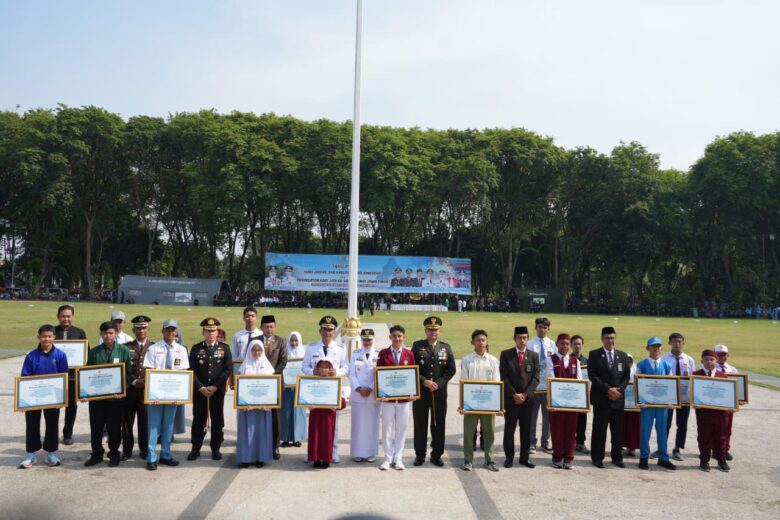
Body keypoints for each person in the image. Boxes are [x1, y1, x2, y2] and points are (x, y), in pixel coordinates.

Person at [18, 324, 69, 469]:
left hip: (53, 398)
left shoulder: (60, 355)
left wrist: (61, 398)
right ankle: (31, 454)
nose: (46, 339)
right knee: (32, 424)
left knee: (52, 424)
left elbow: (64, 376)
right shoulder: (31, 356)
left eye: (49, 336)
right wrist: (23, 401)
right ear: (38, 337)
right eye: (43, 336)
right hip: (33, 399)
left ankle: (51, 453)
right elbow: (25, 377)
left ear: (54, 337)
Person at [83, 321, 133, 467]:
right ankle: (97, 454)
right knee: (96, 428)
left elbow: (128, 374)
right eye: (105, 333)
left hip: (115, 399)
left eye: (111, 333)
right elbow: (87, 374)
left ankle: (114, 454)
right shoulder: (94, 352)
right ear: (101, 334)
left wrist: (122, 390)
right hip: (97, 399)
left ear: (115, 334)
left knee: (114, 428)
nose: (108, 336)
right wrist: (85, 392)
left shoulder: (123, 350)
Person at [143, 319, 189, 470]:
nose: (170, 332)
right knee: (153, 426)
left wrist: (180, 396)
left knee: (169, 426)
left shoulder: (181, 350)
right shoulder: (153, 349)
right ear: (162, 331)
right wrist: (152, 394)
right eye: (167, 329)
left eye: (173, 330)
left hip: (173, 395)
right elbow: (148, 372)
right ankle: (151, 457)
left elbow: (183, 374)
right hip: (156, 395)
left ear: (176, 332)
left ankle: (166, 454)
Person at [302, 315, 348, 465]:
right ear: (320, 331)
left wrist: (337, 372)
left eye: (330, 330)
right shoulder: (311, 348)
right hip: (315, 390)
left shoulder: (340, 349)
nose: (327, 333)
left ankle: (331, 454)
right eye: (324, 329)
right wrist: (314, 371)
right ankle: (315, 454)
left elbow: (346, 367)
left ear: (334, 332)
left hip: (332, 390)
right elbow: (304, 367)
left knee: (332, 424)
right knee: (315, 424)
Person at [411, 316, 456, 467]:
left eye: (435, 330)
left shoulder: (446, 347)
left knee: (438, 425)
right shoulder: (417, 346)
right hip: (422, 393)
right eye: (430, 330)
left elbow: (451, 369)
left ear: (439, 330)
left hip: (439, 394)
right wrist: (424, 381)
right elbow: (412, 368)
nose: (433, 332)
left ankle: (436, 455)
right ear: (425, 331)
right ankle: (420, 455)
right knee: (420, 425)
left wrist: (439, 383)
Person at [188, 317, 232, 461]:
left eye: (213, 331)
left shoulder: (224, 348)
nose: (211, 333)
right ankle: (195, 448)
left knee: (217, 419)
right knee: (198, 419)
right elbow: (191, 370)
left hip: (217, 391)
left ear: (217, 332)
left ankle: (215, 448)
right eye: (208, 331)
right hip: (200, 391)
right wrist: (200, 387)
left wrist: (215, 386)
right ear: (203, 332)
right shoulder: (196, 348)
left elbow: (227, 369)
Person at [587, 326, 630, 468]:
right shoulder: (594, 354)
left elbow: (626, 377)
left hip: (618, 399)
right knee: (599, 430)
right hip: (602, 399)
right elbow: (593, 375)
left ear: (615, 338)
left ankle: (617, 458)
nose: (610, 340)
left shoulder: (623, 356)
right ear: (602, 339)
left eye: (612, 338)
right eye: (607, 338)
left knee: (617, 430)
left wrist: (618, 391)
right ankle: (597, 457)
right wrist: (608, 389)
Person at [459, 329, 501, 472]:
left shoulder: (493, 361)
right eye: (478, 340)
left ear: (487, 342)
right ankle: (468, 460)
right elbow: (464, 382)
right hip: (470, 404)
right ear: (472, 342)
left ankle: (489, 460)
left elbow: (496, 383)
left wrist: (497, 405)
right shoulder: (467, 360)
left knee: (489, 433)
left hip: (488, 404)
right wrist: (462, 404)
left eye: (483, 340)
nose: (481, 343)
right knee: (469, 433)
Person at [376, 325, 416, 470]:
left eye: (400, 336)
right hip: (387, 399)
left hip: (404, 400)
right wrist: (380, 393)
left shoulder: (409, 354)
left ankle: (398, 458)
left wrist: (412, 392)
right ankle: (387, 458)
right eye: (394, 336)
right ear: (390, 337)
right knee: (387, 429)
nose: (397, 339)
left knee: (401, 429)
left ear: (404, 337)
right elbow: (378, 374)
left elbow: (412, 375)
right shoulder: (383, 353)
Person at [500, 326, 540, 468]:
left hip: (527, 400)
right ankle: (509, 457)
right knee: (509, 430)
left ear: (528, 339)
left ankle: (525, 458)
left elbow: (536, 378)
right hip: (511, 399)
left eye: (524, 337)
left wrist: (525, 394)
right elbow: (503, 376)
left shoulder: (534, 356)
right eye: (519, 337)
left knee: (526, 430)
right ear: (514, 339)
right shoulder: (506, 354)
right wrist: (513, 394)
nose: (522, 340)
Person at [635, 336, 676, 470]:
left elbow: (671, 385)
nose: (656, 348)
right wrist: (640, 401)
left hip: (662, 405)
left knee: (662, 431)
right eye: (653, 346)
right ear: (648, 348)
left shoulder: (667, 365)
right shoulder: (641, 365)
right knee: (645, 431)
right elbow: (637, 384)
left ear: (661, 348)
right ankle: (643, 457)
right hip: (647, 405)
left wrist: (671, 401)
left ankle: (663, 458)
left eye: (658, 346)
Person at [236, 339, 274, 468]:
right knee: (246, 431)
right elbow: (240, 386)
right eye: (254, 350)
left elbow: (271, 386)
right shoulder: (244, 366)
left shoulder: (268, 367)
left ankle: (260, 457)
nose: (256, 352)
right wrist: (243, 403)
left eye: (259, 350)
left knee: (262, 432)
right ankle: (245, 458)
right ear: (249, 351)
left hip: (263, 406)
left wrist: (268, 402)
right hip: (247, 407)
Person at [546, 333, 583, 470]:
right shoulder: (551, 359)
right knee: (557, 430)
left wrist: (580, 402)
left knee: (570, 430)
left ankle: (568, 457)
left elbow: (580, 381)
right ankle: (557, 457)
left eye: (567, 344)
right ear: (557, 344)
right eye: (562, 343)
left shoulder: (575, 361)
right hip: (556, 402)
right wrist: (550, 402)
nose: (565, 346)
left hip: (571, 403)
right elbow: (550, 379)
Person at [255, 314, 288, 459]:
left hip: (275, 382)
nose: (269, 329)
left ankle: (275, 447)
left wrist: (271, 376)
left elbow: (283, 361)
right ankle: (259, 444)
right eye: (266, 327)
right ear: (261, 328)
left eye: (271, 326)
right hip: (258, 383)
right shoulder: (255, 340)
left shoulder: (281, 341)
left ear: (275, 327)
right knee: (258, 414)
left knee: (275, 416)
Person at [54, 304, 87, 446]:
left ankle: (67, 434)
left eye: (68, 316)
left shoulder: (79, 333)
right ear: (58, 317)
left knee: (71, 407)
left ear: (72, 316)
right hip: (55, 377)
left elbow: (85, 356)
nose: (65, 319)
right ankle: (52, 434)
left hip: (73, 378)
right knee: (54, 407)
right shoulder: (52, 332)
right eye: (63, 316)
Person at [693, 349, 731, 472]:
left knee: (721, 436)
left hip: (720, 413)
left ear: (716, 361)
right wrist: (694, 402)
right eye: (706, 359)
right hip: (703, 412)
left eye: (712, 359)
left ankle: (721, 460)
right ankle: (704, 460)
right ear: (701, 361)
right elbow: (690, 392)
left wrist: (732, 404)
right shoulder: (696, 375)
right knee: (704, 436)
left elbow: (728, 394)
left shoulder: (723, 376)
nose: (709, 362)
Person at [122, 315, 153, 461]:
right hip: (130, 390)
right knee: (127, 422)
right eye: (138, 328)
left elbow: (157, 368)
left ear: (148, 329)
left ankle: (144, 449)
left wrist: (147, 381)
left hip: (146, 391)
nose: (141, 331)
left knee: (144, 422)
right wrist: (133, 381)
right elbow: (123, 369)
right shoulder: (125, 347)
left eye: (144, 328)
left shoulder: (154, 347)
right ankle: (127, 450)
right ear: (133, 330)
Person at [661, 332, 695, 461]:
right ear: (670, 343)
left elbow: (693, 379)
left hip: (684, 397)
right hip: (668, 396)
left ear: (683, 343)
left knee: (682, 423)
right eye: (674, 341)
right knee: (665, 423)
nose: (677, 344)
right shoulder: (664, 359)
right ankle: (662, 447)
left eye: (680, 341)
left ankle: (677, 448)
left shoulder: (689, 360)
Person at [348, 329, 381, 463]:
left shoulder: (379, 354)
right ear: (361, 340)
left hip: (372, 395)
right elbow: (351, 373)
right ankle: (357, 452)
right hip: (358, 395)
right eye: (365, 339)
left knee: (372, 425)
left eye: (369, 339)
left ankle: (371, 452)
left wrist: (370, 388)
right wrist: (359, 388)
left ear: (374, 339)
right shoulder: (356, 354)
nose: (367, 342)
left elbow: (380, 373)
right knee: (357, 425)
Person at [527, 317, 555, 454]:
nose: (542, 330)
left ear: (548, 329)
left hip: (548, 387)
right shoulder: (530, 344)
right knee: (532, 416)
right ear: (535, 328)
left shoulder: (553, 345)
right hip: (534, 386)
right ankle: (531, 443)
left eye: (545, 327)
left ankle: (545, 442)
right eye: (540, 327)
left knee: (547, 417)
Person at [280, 331, 308, 448]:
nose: (294, 343)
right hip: (286, 388)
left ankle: (297, 438)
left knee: (298, 413)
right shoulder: (285, 353)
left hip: (299, 388)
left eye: (296, 340)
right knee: (286, 413)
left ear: (299, 341)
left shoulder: (304, 354)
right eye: (291, 340)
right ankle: (285, 438)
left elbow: (306, 369)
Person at [714, 344, 737, 461]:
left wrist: (738, 401)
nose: (722, 356)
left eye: (724, 354)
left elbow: (738, 388)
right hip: (714, 403)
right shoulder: (712, 368)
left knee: (727, 428)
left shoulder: (733, 370)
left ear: (728, 355)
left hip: (728, 404)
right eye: (719, 354)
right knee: (714, 428)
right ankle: (714, 449)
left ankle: (724, 449)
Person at [571, 335, 590, 454]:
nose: (577, 346)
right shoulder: (567, 360)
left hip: (583, 397)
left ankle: (580, 443)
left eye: (579, 344)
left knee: (582, 420)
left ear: (582, 345)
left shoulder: (587, 362)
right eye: (575, 344)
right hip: (571, 396)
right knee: (571, 420)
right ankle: (569, 442)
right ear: (571, 345)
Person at [621, 354, 640, 457]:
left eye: (630, 361)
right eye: (626, 361)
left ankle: (632, 447)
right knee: (621, 425)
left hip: (634, 406)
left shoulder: (636, 370)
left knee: (634, 426)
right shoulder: (619, 371)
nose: (628, 364)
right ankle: (620, 445)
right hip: (622, 405)